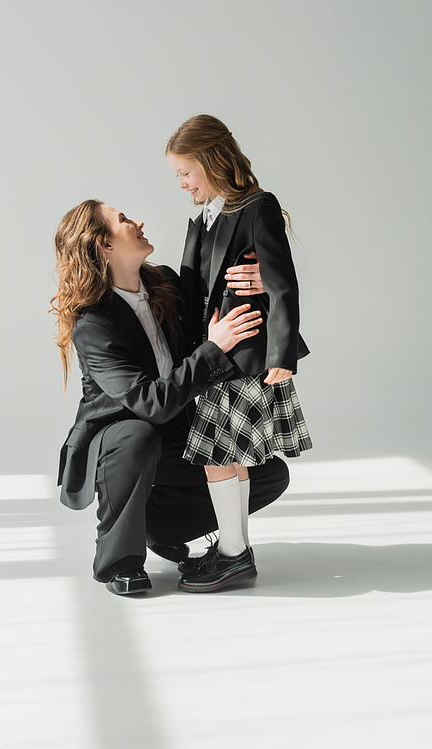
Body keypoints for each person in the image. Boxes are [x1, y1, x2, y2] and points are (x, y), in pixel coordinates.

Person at [51, 199, 290, 595]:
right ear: (103, 245)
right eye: (123, 220)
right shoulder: (93, 325)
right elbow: (150, 404)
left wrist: (265, 279)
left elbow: (221, 289)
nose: (137, 221)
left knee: (269, 474)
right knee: (137, 435)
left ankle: (157, 527)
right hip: (116, 442)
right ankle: (119, 562)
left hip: (173, 435)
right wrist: (213, 349)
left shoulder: (164, 283)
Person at [166, 114, 313, 593]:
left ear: (210, 161)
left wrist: (283, 352)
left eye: (185, 172)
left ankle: (234, 553)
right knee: (226, 456)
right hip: (214, 354)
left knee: (217, 456)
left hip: (246, 354)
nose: (182, 183)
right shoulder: (203, 218)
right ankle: (236, 551)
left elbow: (283, 282)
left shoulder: (256, 206)